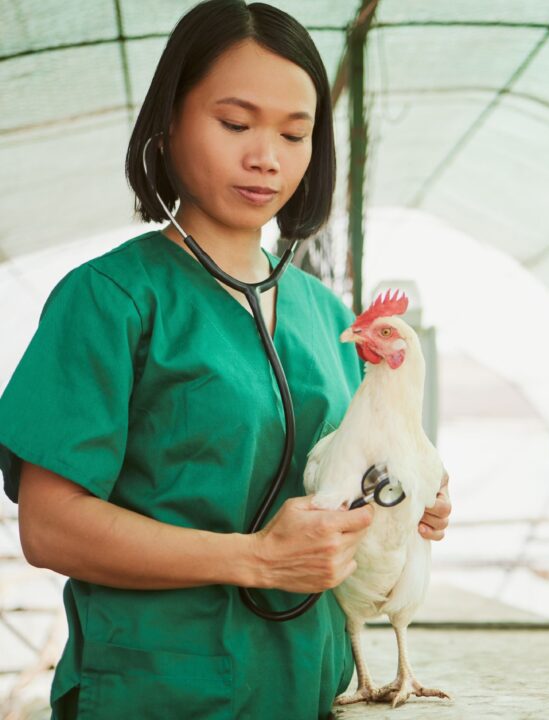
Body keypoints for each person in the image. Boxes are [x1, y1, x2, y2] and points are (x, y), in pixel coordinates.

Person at [0, 1, 451, 718]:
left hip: (312, 689)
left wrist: (406, 500)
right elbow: (50, 527)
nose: (265, 156)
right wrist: (257, 558)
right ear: (169, 123)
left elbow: (344, 479)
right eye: (235, 124)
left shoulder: (329, 317)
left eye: (294, 133)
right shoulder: (109, 301)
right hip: (157, 694)